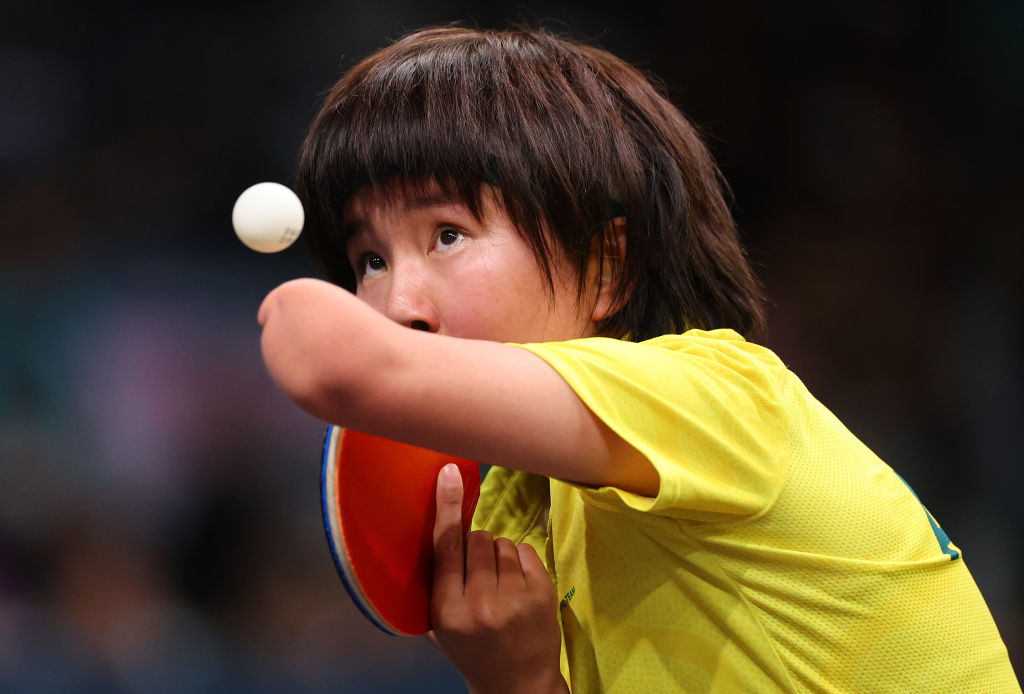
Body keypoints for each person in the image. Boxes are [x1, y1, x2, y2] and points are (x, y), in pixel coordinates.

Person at [257, 25, 1020, 693]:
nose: (397, 305)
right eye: (368, 260)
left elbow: (330, 356)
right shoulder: (520, 518)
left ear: (606, 267)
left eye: (448, 234)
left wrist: (295, 310)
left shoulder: (714, 395)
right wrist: (516, 682)